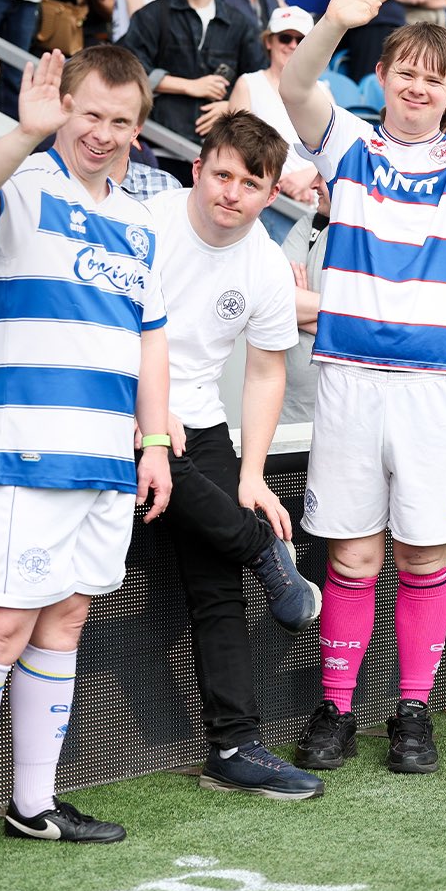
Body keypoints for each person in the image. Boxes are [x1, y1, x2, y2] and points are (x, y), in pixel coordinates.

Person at [278, 0, 446, 774]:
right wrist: (335, 20)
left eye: (436, 76)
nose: (419, 86)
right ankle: (337, 709)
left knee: (425, 556)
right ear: (382, 78)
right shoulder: (348, 141)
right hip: (351, 377)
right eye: (406, 73)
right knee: (353, 557)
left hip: (434, 384)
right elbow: (294, 87)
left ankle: (413, 712)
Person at [0, 46, 171, 842]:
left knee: (64, 618)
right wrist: (20, 136)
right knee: (3, 624)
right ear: (63, 106)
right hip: (23, 449)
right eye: (90, 113)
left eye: (121, 120)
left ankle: (33, 805)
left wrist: (158, 442)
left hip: (104, 459)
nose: (102, 133)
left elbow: (153, 342)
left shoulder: (140, 222)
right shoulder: (22, 189)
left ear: (140, 129)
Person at [146, 109, 323, 800]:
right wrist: (151, 411)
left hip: (202, 420)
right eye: (221, 174)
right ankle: (263, 552)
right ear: (197, 170)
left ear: (270, 194)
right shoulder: (148, 224)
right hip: (122, 406)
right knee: (231, 539)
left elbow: (266, 371)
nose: (231, 192)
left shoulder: (266, 267)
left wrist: (251, 475)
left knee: (217, 590)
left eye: (250, 183)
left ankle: (235, 746)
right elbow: (111, 327)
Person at [118, 0, 266, 173]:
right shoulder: (152, 15)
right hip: (157, 145)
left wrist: (232, 106)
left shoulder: (241, 24)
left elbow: (260, 82)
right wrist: (188, 85)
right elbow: (127, 69)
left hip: (218, 152)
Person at [228, 4, 334, 206]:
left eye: (301, 40)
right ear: (269, 41)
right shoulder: (249, 84)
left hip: (313, 199)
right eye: (285, 38)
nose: (293, 45)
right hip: (263, 199)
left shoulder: (323, 91)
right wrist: (281, 183)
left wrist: (307, 178)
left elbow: (339, 150)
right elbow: (236, 148)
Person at [280, 172, 331, 426]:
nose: (313, 183)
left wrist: (307, 309)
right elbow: (280, 303)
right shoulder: (311, 224)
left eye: (323, 175)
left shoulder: (387, 237)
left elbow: (387, 328)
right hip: (292, 415)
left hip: (353, 419)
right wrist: (354, 317)